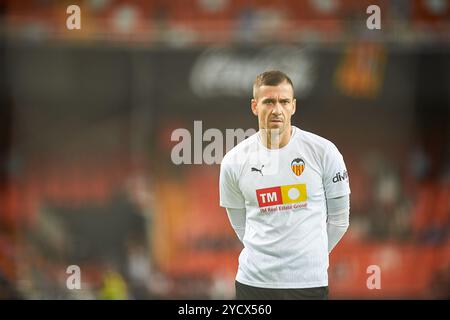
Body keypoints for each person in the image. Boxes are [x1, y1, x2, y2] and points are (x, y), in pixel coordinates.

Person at [219, 70, 350, 300]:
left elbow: (340, 221)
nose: (276, 109)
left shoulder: (324, 152)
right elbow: (241, 226)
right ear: (254, 106)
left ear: (293, 106)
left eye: (284, 101)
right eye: (268, 101)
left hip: (308, 284)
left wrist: (309, 258)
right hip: (253, 284)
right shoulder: (234, 161)